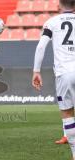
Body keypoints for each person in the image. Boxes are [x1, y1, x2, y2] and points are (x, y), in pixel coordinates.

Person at [32, 0, 75, 159]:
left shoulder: (52, 22)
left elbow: (41, 46)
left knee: (68, 114)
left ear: (58, 7)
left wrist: (36, 71)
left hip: (64, 73)